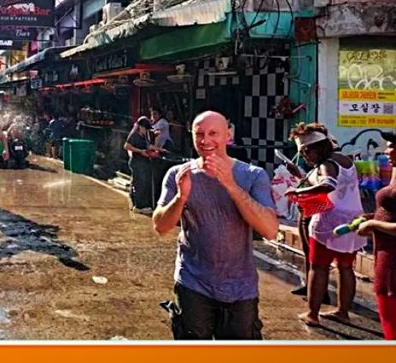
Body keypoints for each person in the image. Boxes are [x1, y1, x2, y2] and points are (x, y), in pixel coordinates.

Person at [153, 111, 278, 340]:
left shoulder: (252, 175)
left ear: (228, 136)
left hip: (241, 287)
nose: (205, 141)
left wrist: (230, 185)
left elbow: (270, 230)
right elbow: (161, 226)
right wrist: (181, 198)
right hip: (193, 282)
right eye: (199, 134)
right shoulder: (178, 175)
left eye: (213, 133)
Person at [286, 123, 366, 326]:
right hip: (352, 220)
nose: (305, 157)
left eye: (305, 152)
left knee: (318, 268)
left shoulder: (326, 164)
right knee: (345, 267)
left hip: (328, 221)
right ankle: (343, 312)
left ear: (317, 148)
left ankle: (312, 315)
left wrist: (297, 192)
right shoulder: (346, 160)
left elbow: (328, 184)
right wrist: (301, 178)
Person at [357, 130, 396, 339]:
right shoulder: (395, 170)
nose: (387, 150)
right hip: (385, 255)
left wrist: (374, 223)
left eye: (392, 146)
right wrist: (374, 217)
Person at [124, 117, 160, 211]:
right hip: (136, 162)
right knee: (140, 183)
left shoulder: (144, 136)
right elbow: (127, 146)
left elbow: (148, 146)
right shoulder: (134, 135)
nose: (146, 130)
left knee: (137, 182)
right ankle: (139, 205)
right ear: (140, 127)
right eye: (145, 128)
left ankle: (134, 202)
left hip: (143, 162)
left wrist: (159, 149)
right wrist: (140, 151)